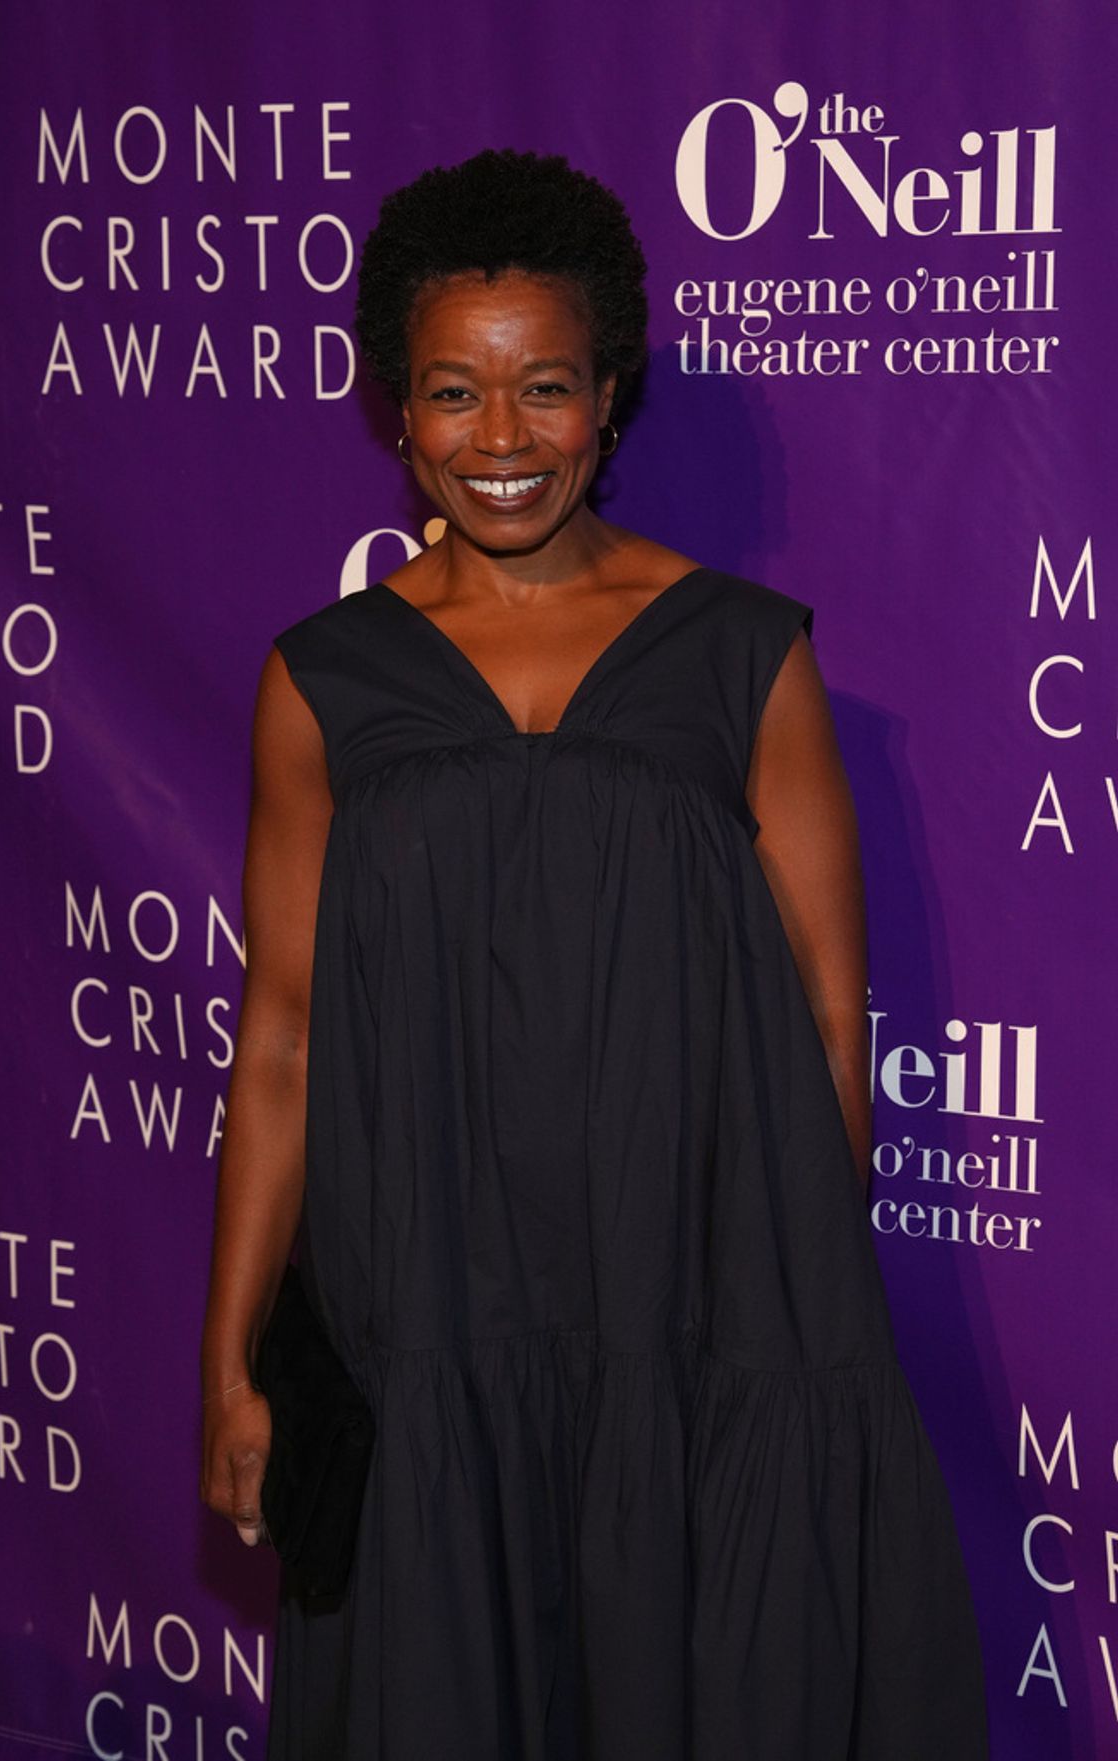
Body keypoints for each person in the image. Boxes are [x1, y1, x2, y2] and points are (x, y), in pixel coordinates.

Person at [200, 148, 989, 1759]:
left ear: (609, 395)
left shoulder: (741, 652)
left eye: (544, 387)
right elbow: (281, 1035)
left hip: (700, 1312)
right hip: (428, 1316)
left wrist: (792, 1326)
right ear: (397, 410)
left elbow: (828, 1011)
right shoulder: (324, 681)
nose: (501, 439)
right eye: (453, 392)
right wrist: (230, 1359)